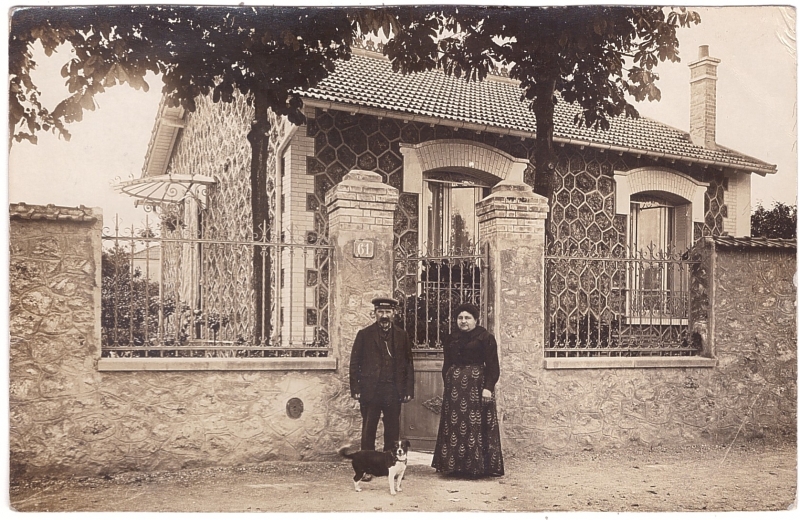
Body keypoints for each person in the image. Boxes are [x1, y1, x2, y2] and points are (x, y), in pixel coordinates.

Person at [431, 302, 504, 477]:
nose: (463, 321)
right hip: (455, 389)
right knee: (455, 424)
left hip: (476, 387)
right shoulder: (451, 338)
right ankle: (454, 467)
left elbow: (493, 366)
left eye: (467, 318)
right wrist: (448, 382)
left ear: (475, 320)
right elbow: (447, 363)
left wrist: (488, 388)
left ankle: (476, 468)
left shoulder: (485, 337)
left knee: (474, 424)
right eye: (460, 318)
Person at [349, 297, 414, 455]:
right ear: (375, 313)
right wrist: (356, 388)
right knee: (369, 427)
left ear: (394, 313)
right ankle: (366, 466)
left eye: (388, 312)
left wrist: (408, 390)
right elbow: (354, 363)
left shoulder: (402, 335)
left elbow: (408, 365)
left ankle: (390, 463)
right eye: (380, 312)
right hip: (371, 390)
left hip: (393, 389)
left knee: (392, 428)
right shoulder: (364, 335)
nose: (384, 315)